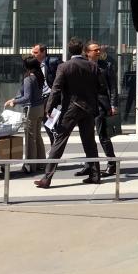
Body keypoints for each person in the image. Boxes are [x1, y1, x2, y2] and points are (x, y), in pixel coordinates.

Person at [34, 38, 104, 189]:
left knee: (59, 142)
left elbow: (56, 89)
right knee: (90, 142)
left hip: (71, 109)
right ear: (82, 50)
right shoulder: (92, 66)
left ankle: (47, 178)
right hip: (88, 108)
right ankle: (95, 174)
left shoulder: (64, 67)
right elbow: (100, 86)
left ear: (69, 51)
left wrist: (49, 108)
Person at [74, 41, 118, 178]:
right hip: (85, 105)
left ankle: (111, 165)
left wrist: (113, 105)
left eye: (99, 49)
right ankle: (89, 165)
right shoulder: (83, 66)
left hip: (101, 105)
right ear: (87, 52)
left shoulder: (106, 66)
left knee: (103, 136)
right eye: (95, 50)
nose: (98, 52)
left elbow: (113, 88)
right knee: (87, 137)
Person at [5, 56, 46, 174]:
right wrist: (14, 98)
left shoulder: (29, 79)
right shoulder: (39, 77)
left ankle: (30, 165)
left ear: (27, 66)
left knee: (30, 138)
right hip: (40, 108)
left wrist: (15, 102)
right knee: (37, 136)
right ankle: (41, 163)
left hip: (31, 110)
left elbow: (27, 97)